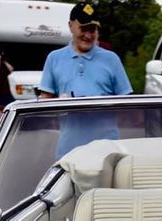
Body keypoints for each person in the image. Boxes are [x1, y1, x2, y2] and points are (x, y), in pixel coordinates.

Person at [38, 2, 132, 157]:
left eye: (92, 29)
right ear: (70, 26)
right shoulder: (54, 58)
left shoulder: (111, 59)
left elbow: (127, 105)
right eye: (83, 28)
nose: (88, 35)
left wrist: (104, 105)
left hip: (107, 152)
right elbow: (44, 105)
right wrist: (58, 104)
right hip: (68, 153)